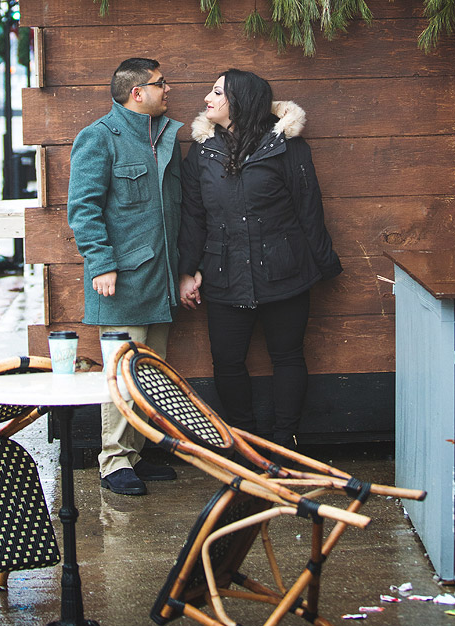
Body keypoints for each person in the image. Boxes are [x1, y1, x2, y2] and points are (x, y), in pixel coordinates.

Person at [178, 69, 342, 448]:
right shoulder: (202, 150)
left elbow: (309, 207)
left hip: (285, 269)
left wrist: (320, 263)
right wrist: (187, 271)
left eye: (217, 92)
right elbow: (193, 214)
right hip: (223, 273)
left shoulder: (286, 146)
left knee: (287, 356)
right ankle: (245, 443)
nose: (207, 98)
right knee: (227, 361)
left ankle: (285, 442)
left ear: (240, 101)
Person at [67, 57, 183, 496]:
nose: (167, 89)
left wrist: (185, 271)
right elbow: (83, 209)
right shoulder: (98, 138)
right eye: (160, 83)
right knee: (120, 374)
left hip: (161, 277)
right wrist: (101, 263)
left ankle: (136, 454)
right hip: (120, 279)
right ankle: (113, 461)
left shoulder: (163, 136)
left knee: (150, 373)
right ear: (137, 93)